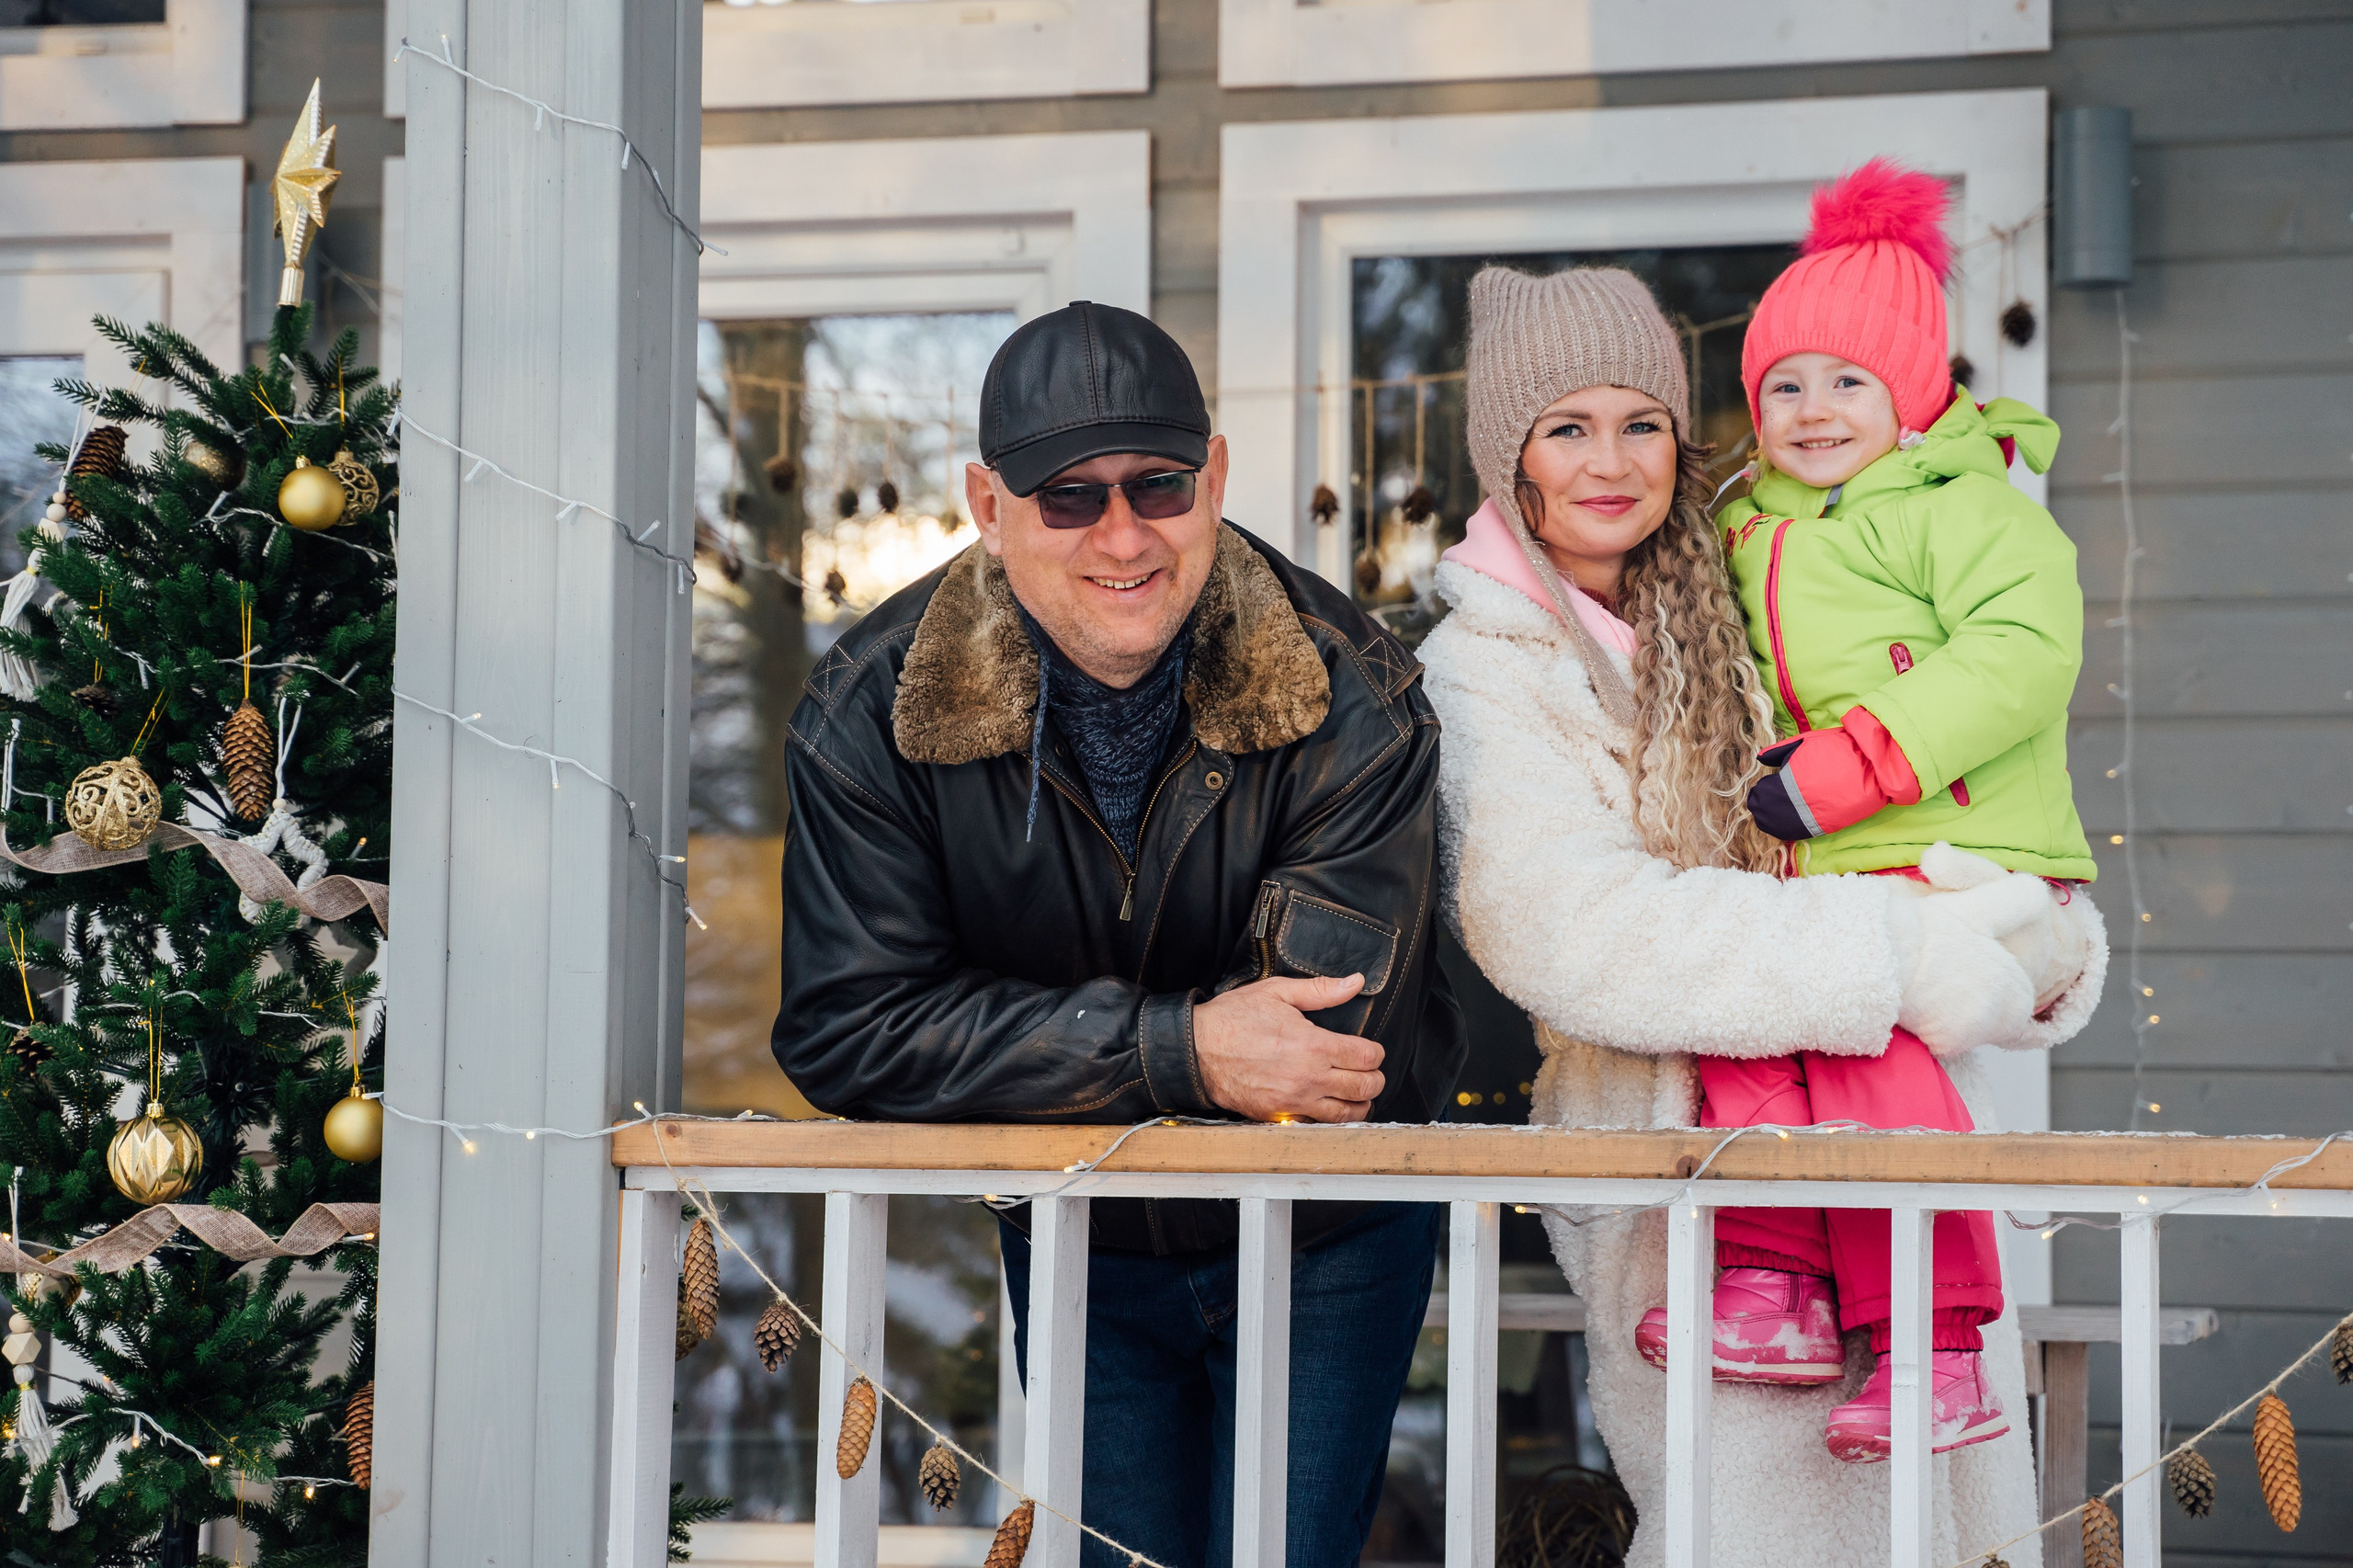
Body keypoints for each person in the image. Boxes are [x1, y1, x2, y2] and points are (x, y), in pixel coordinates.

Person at [1419, 264, 2101, 1564]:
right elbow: (1572, 929)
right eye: (1566, 428)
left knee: (1938, 1527)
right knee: (1763, 1529)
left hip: (1903, 1121)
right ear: (1509, 457)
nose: (1612, 462)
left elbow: (1933, 788)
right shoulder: (1487, 666)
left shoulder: (1741, 583)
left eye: (1642, 423)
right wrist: (1900, 951)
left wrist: (2028, 925)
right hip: (1695, 1170)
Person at [772, 301, 1465, 1568]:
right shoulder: (872, 711)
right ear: (987, 503)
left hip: (1322, 1235)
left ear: (1214, 475)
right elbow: (850, 1024)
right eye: (1069, 497)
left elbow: (1323, 1055)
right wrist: (1181, 1046)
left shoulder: (1348, 692)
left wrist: (1019, 1040)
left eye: (1159, 483)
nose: (1125, 533)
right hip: (1079, 1224)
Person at [1711, 158, 2101, 1461]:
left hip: (1958, 853)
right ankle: (1778, 1285)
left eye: (1849, 380)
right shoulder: (1747, 527)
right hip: (1827, 865)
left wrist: (1843, 766)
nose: (1814, 409)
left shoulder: (1964, 508)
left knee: (1873, 1058)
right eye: (1784, 384)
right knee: (1749, 1020)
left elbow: (2020, 656)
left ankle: (1935, 1342)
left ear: (1917, 387)